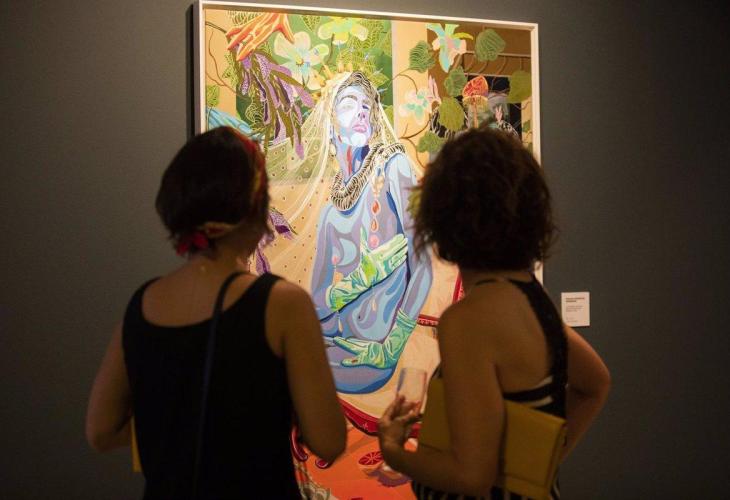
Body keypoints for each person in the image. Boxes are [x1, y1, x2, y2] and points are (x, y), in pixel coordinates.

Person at [85, 127, 346, 499]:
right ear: (255, 208)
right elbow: (329, 440)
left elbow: (100, 432)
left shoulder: (142, 305)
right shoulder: (282, 304)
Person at [377, 126, 610, 499]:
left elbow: (472, 478)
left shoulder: (467, 320)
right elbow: (595, 385)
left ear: (444, 218)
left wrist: (393, 451)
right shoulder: (535, 301)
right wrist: (537, 470)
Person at [310, 71, 433, 394]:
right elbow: (317, 304)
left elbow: (423, 265)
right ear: (330, 122)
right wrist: (357, 281)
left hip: (374, 354)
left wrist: (391, 347)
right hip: (331, 341)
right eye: (349, 104)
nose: (362, 112)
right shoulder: (329, 214)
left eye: (367, 105)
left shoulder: (393, 167)